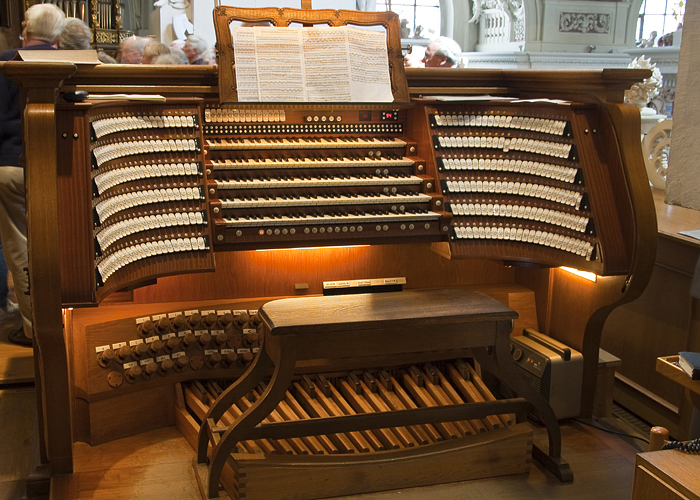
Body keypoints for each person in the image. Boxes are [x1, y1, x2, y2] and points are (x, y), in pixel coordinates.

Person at [0, 3, 66, 347]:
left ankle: (34, 328)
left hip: (12, 164)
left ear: (25, 28)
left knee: (21, 246)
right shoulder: (72, 61)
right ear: (58, 33)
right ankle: (66, 317)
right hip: (62, 164)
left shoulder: (7, 60)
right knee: (59, 241)